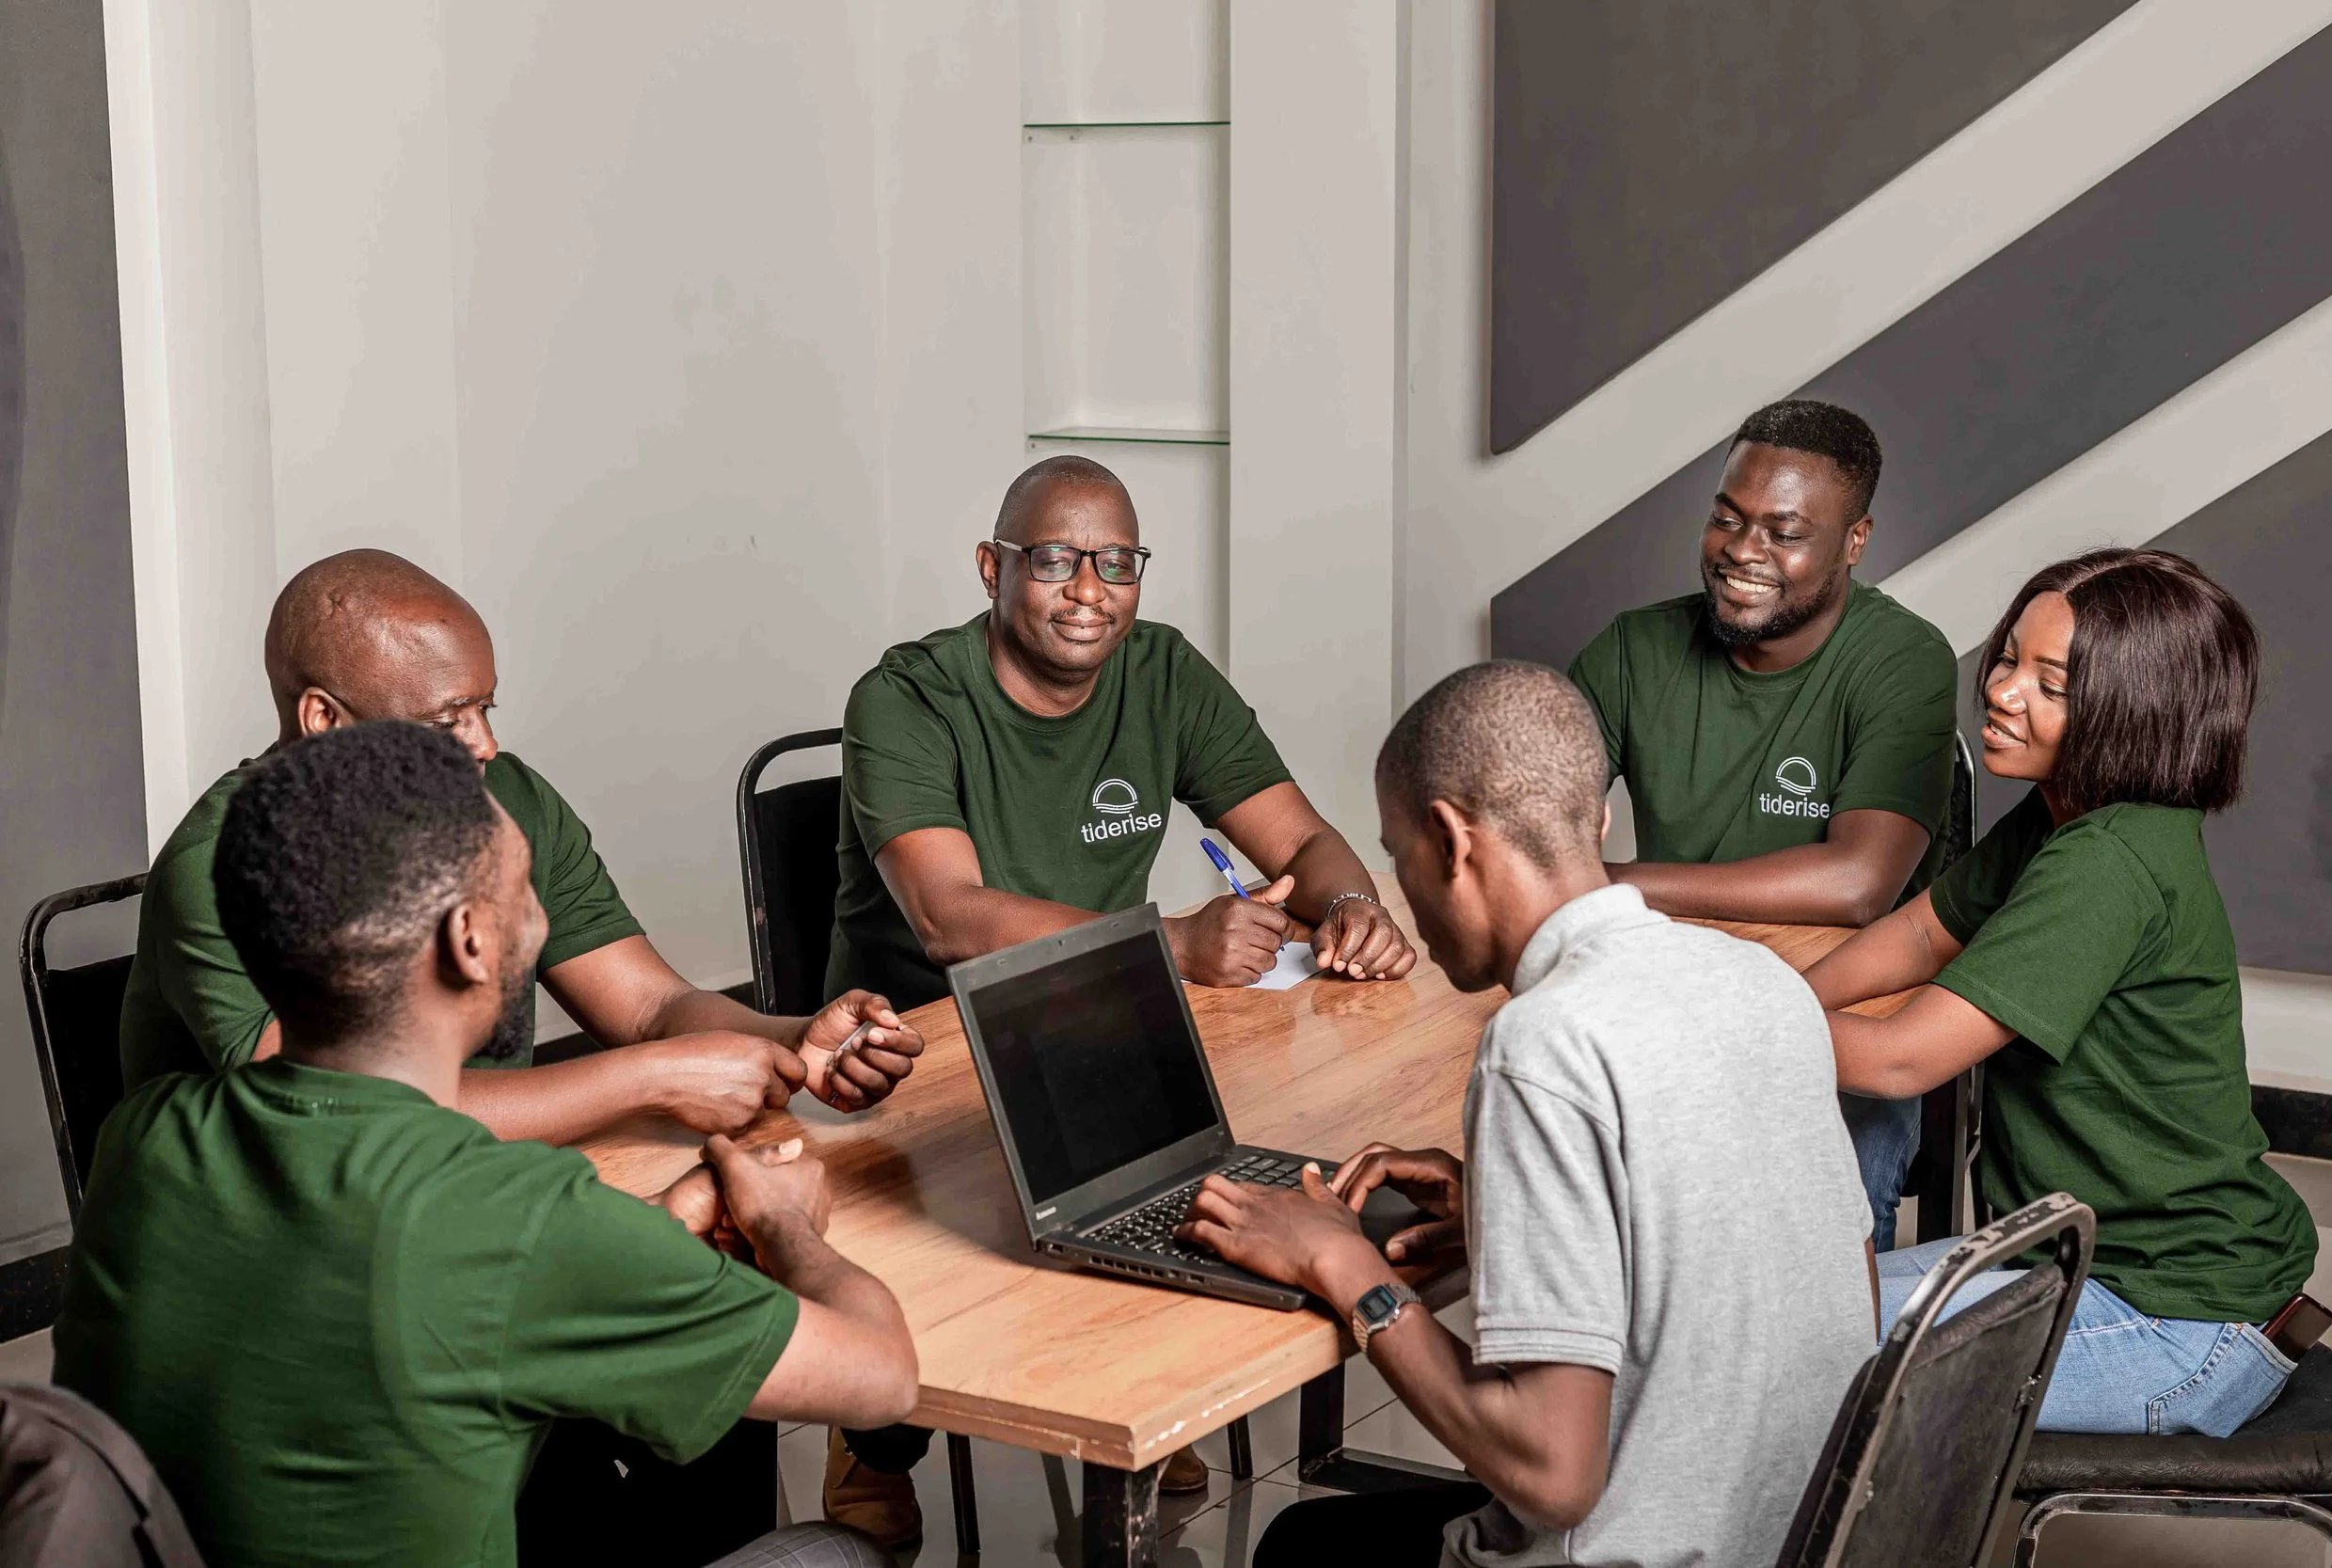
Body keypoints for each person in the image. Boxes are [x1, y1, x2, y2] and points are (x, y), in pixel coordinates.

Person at [52, 721, 918, 1568]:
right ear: (470, 942)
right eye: (524, 891)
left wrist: (664, 1214)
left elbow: (386, 1273)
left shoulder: (144, 1136)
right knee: (845, 1550)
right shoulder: (518, 1219)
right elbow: (882, 1377)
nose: (541, 919)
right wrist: (789, 1226)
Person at [822, 454, 1418, 1531]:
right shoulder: (904, 695)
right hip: (919, 1042)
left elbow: (1302, 836)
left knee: (1225, 1145)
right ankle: (872, 1436)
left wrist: (1350, 906)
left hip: (1104, 1013)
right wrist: (1174, 940)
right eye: (1054, 558)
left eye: (1117, 562)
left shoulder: (1163, 672)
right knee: (972, 1203)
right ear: (992, 567)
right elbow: (947, 915)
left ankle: (1136, 1395)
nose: (1088, 588)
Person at [1179, 661, 1878, 1567]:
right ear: (1598, 819)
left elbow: (1553, 1475)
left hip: (1651, 1549)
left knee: (1301, 1547)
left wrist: (1345, 1266)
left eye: (1397, 859)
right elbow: (1832, 1286)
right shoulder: (1761, 981)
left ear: (1448, 841)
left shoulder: (1541, 1044)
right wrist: (1504, 1211)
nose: (1406, 898)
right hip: (1806, 1536)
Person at [119, 548, 922, 1144]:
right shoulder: (224, 861)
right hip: (296, 1251)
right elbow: (337, 1119)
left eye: (486, 707)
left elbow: (649, 1008)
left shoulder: (508, 801)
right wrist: (651, 1081)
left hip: (465, 1191)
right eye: (446, 721)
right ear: (325, 719)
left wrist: (793, 1041)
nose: (484, 745)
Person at [1807, 548, 2320, 1435]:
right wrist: (1775, 989)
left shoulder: (2107, 860)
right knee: (1766, 1308)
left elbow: (1900, 1060)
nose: (2002, 691)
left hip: (2179, 1323)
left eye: (2054, 684)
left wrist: (1719, 1016)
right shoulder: (2063, 818)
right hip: (2077, 1271)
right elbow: (1923, 932)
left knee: (1781, 1349)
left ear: (2135, 709)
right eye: (2009, 658)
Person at [1566, 398, 1958, 1248]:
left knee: (1811, 1252)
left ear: (1854, 540)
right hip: (1666, 993)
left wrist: (1618, 882)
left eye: (1784, 533)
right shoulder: (1634, 649)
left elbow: (1859, 883)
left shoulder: (1903, 658)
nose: (1744, 552)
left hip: (1844, 1016)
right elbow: (1534, 828)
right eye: (1726, 519)